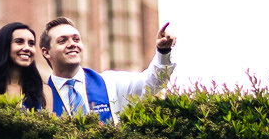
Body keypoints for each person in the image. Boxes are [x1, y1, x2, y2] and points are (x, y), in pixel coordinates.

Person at [35, 17, 176, 122]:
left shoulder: (110, 83)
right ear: (46, 52)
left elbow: (150, 84)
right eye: (62, 41)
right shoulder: (41, 97)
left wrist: (163, 52)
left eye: (76, 39)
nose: (72, 44)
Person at [0, 21, 50, 111]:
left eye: (31, 43)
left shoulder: (44, 91)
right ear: (4, 46)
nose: (27, 48)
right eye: (19, 42)